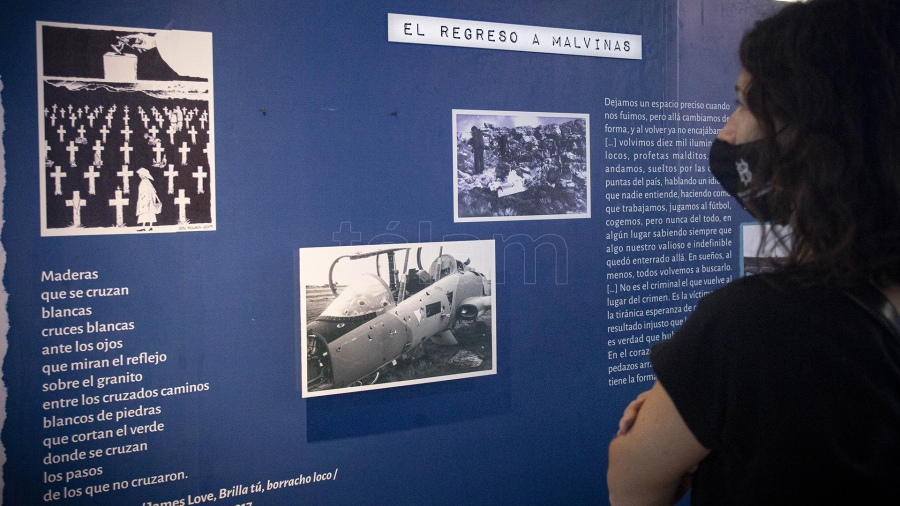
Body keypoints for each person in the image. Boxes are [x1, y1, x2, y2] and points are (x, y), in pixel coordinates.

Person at [607, 0, 900, 504]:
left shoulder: (753, 321)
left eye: (745, 106)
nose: (726, 133)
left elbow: (631, 484)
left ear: (815, 138)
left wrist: (695, 420)